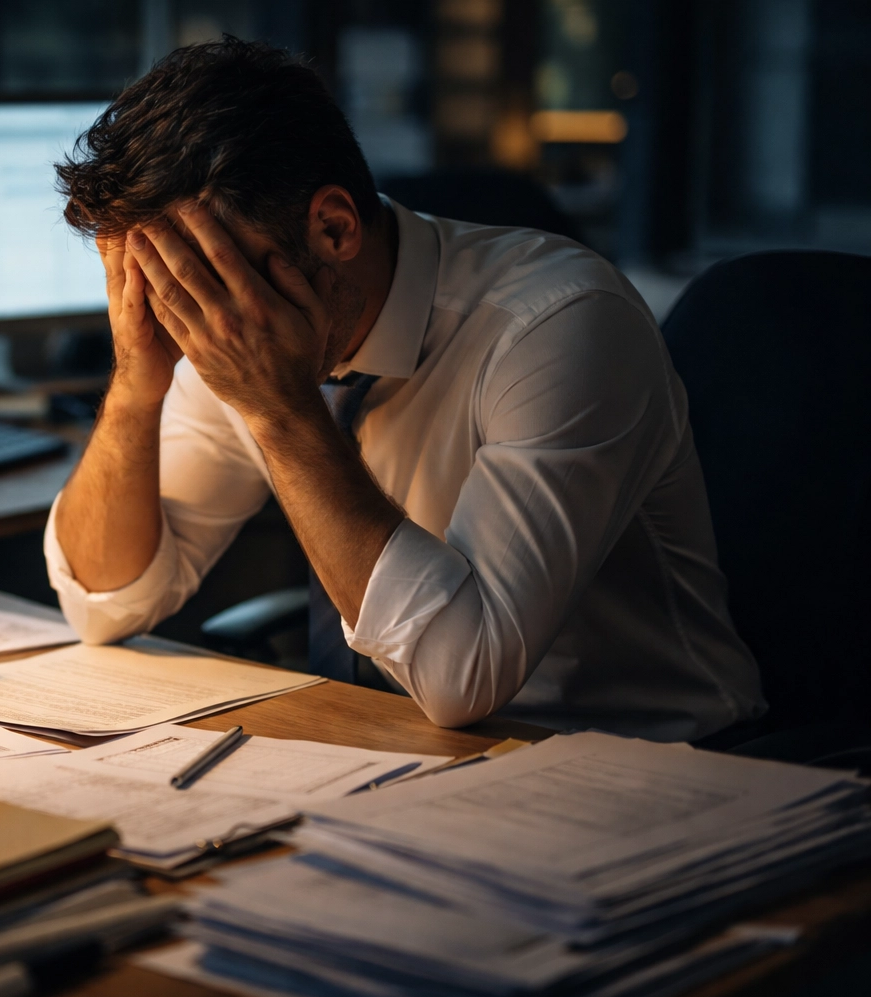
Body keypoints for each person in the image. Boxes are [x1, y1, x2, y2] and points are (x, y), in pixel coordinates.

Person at [43, 39, 764, 742]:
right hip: (399, 754)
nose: (184, 309)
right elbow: (106, 603)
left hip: (644, 764)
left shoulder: (560, 324)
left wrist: (281, 410)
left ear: (333, 228)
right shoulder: (230, 333)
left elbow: (462, 676)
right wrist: (138, 384)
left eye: (201, 275)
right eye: (157, 278)